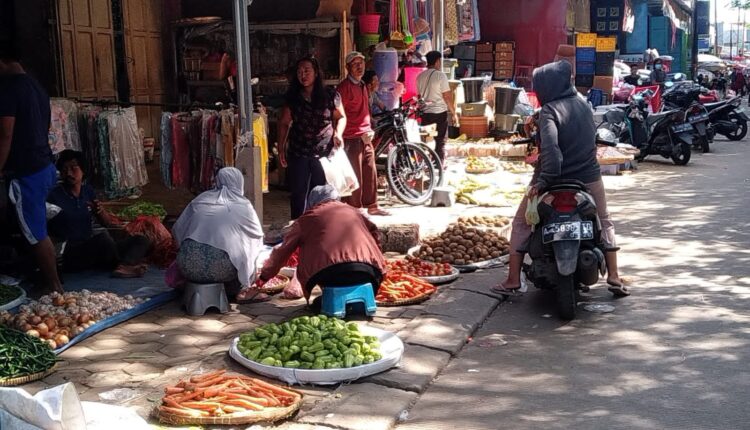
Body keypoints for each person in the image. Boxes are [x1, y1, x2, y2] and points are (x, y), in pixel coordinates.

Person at [493, 61, 629, 297]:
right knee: (604, 220)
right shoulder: (583, 105)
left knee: (521, 224)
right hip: (588, 178)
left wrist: (542, 182)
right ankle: (614, 275)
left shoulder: (550, 111)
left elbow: (552, 152)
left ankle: (513, 279)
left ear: (548, 86)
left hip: (553, 181)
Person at [0, 45, 62, 294]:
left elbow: (5, 133)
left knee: (34, 232)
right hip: (43, 164)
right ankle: (45, 277)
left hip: (27, 171)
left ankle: (54, 285)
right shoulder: (37, 86)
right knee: (35, 227)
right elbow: (46, 125)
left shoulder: (8, 88)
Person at [256, 185, 385, 303]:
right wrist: (379, 264)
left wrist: (264, 277)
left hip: (330, 275)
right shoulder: (356, 212)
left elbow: (283, 251)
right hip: (370, 274)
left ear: (313, 202)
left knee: (321, 299)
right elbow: (376, 236)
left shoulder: (307, 219)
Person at [47, 150, 152, 277]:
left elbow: (106, 222)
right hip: (70, 252)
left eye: (73, 168)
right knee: (103, 240)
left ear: (83, 170)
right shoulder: (54, 196)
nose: (68, 173)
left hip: (91, 247)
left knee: (141, 240)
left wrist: (100, 211)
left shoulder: (88, 192)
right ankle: (124, 264)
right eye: (64, 169)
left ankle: (124, 265)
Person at [172, 167, 267, 303]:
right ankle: (244, 290)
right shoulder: (243, 205)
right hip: (221, 270)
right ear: (239, 182)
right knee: (250, 246)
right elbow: (257, 236)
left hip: (187, 266)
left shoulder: (201, 199)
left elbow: (177, 229)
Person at [277, 56, 346, 220]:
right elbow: (284, 123)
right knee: (298, 194)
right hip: (299, 152)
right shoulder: (293, 98)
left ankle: (320, 225)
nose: (303, 75)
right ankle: (297, 227)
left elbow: (341, 117)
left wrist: (338, 133)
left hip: (324, 153)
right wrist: (281, 148)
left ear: (316, 73)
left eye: (307, 70)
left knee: (322, 193)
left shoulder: (330, 95)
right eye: (300, 72)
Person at [338, 51, 390, 216]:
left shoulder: (362, 86)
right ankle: (354, 209)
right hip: (351, 137)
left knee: (370, 172)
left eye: (361, 63)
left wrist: (369, 126)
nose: (359, 67)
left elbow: (366, 109)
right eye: (355, 64)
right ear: (347, 68)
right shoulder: (343, 88)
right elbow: (339, 115)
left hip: (365, 136)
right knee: (355, 176)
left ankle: (372, 205)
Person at [416, 51, 457, 163]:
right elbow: (447, 96)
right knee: (440, 141)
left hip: (426, 114)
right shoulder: (440, 75)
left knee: (427, 140)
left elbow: (419, 96)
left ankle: (426, 165)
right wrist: (454, 113)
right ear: (438, 61)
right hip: (439, 114)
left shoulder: (419, 76)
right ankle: (439, 165)